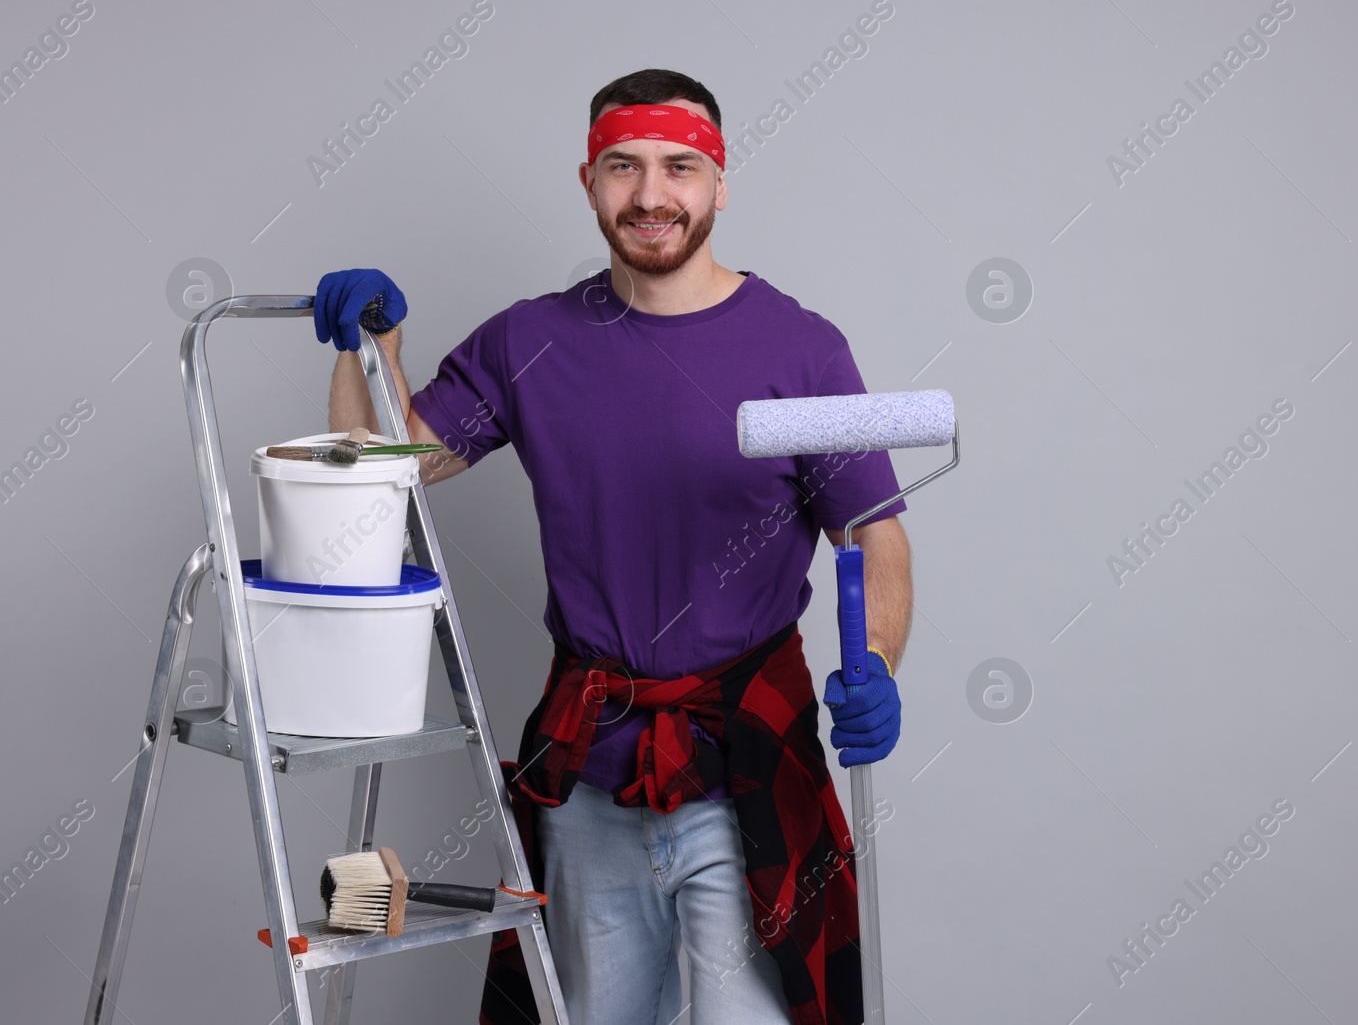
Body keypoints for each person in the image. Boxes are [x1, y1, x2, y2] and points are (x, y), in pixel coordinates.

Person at [318, 68, 912, 1025]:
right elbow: (373, 469)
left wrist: (877, 661)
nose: (651, 194)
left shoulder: (802, 350)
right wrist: (370, 344)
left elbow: (875, 538)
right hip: (589, 775)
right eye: (623, 167)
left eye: (680, 166)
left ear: (720, 182)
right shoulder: (531, 342)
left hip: (744, 768)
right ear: (588, 182)